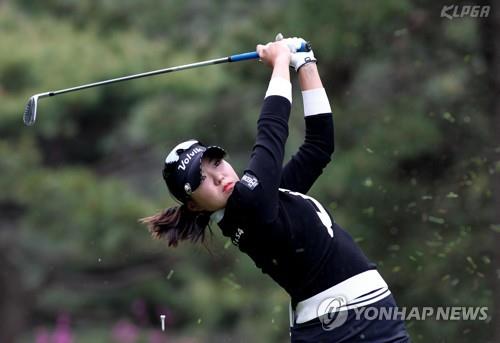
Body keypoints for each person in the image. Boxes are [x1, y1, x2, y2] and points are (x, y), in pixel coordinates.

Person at [141, 36, 410, 342]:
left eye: (215, 162)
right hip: (353, 322)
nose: (217, 176)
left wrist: (305, 64)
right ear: (194, 206)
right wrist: (280, 62)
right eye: (200, 179)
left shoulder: (260, 201)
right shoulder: (250, 205)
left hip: (338, 323)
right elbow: (271, 131)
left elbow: (318, 148)